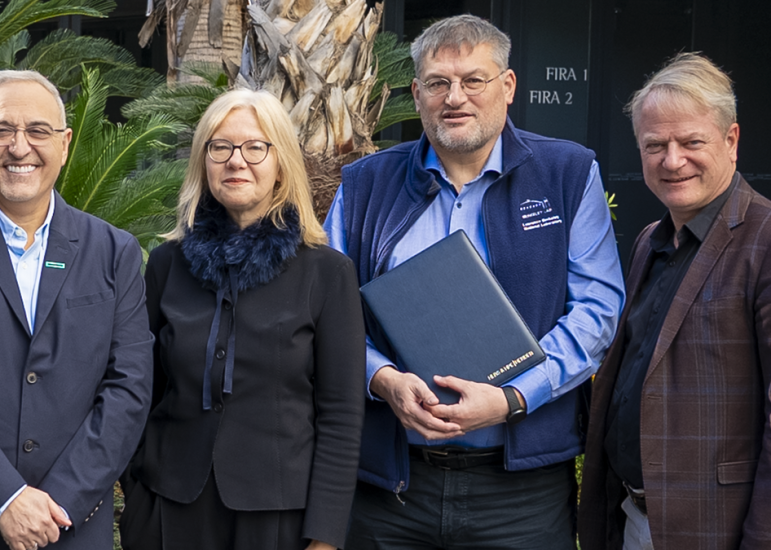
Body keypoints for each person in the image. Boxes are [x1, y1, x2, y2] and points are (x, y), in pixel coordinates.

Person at [324, 14, 625, 550]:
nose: (454, 97)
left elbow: (597, 311)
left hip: (522, 491)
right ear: (417, 94)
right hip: (391, 487)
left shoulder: (568, 173)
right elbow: (328, 312)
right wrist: (383, 379)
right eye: (438, 83)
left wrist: (511, 396)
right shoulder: (363, 185)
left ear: (507, 87)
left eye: (473, 80)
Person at [118, 88, 366, 550]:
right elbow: (137, 391)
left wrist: (325, 537)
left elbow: (342, 416)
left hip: (278, 518)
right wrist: (136, 498)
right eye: (220, 147)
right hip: (169, 508)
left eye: (255, 147)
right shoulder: (167, 264)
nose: (237, 161)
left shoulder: (327, 272)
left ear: (281, 164)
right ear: (203, 161)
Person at [0, 70, 153, 550]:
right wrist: (4, 497)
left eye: (38, 131)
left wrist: (55, 504)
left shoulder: (113, 252)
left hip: (70, 529)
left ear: (64, 143)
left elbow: (129, 388)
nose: (20, 147)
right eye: (1, 131)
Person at [578, 52, 771, 549]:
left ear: (731, 141)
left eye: (691, 142)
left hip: (715, 530)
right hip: (633, 519)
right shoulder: (650, 240)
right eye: (655, 145)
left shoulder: (765, 241)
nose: (672, 160)